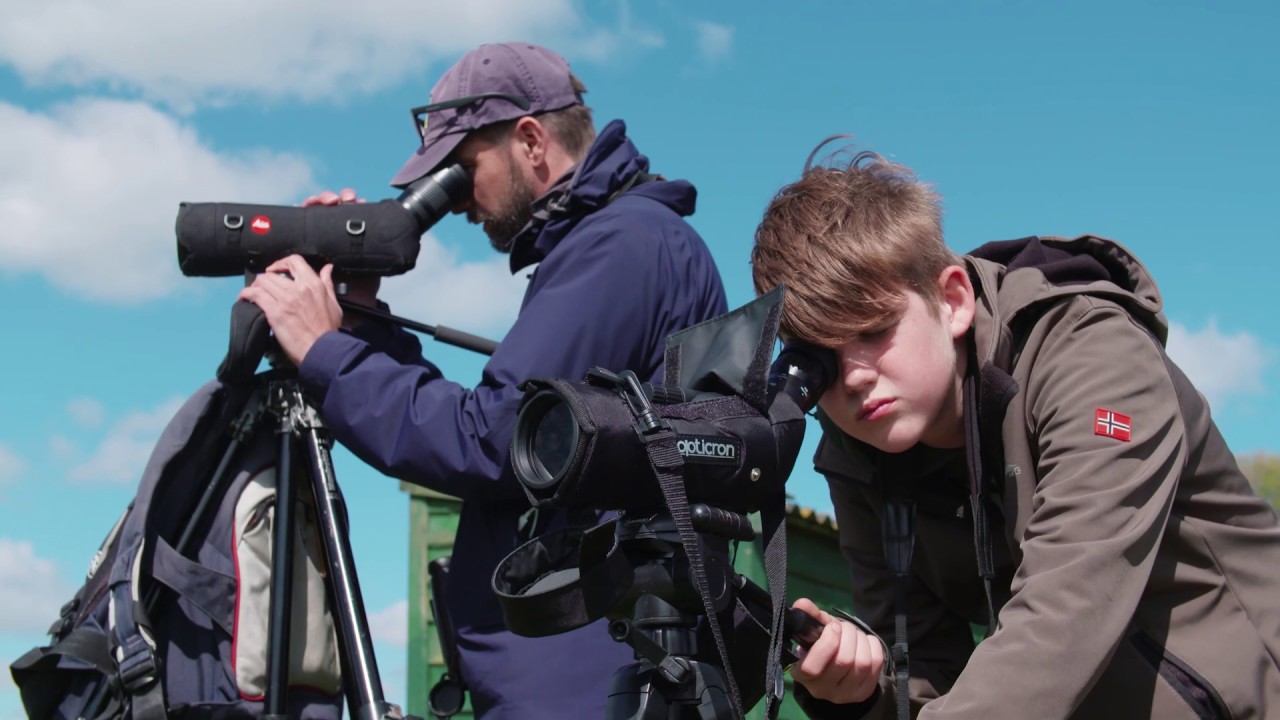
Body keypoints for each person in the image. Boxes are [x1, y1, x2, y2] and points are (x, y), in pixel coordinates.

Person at [238, 42, 728, 718]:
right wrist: (360, 319)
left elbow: (492, 441)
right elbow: (510, 429)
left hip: (601, 682)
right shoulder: (613, 244)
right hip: (588, 676)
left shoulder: (622, 245)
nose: (461, 201)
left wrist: (326, 352)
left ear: (530, 140)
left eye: (463, 170)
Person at [749, 143, 1280, 719]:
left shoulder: (1093, 356)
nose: (851, 378)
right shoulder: (856, 455)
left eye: (873, 332)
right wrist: (860, 695)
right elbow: (925, 673)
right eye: (821, 357)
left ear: (952, 300)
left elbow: (1071, 605)